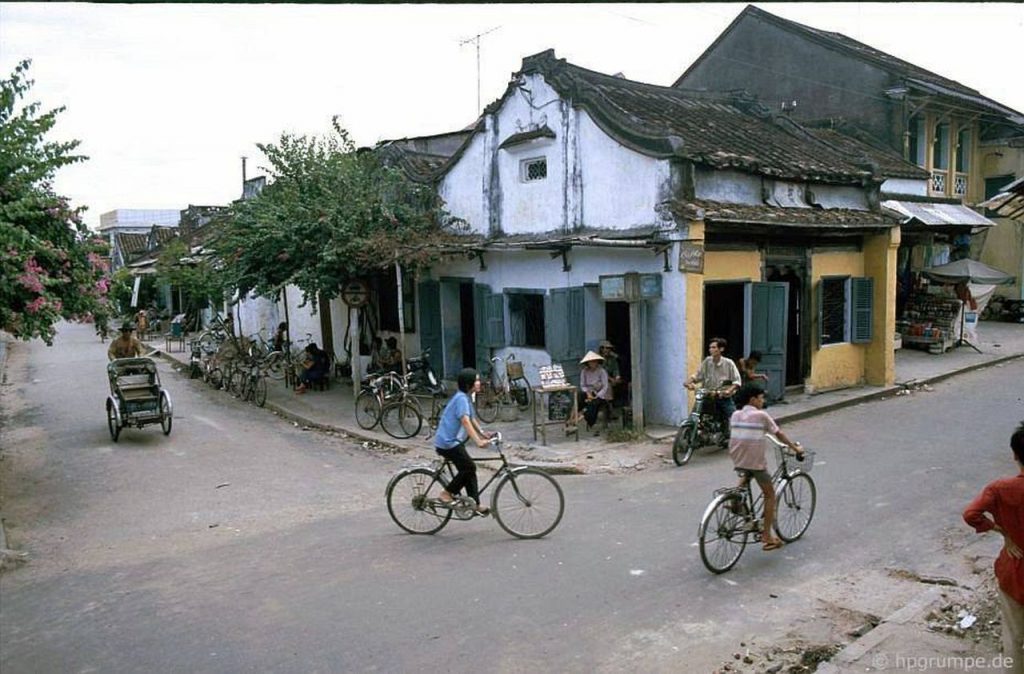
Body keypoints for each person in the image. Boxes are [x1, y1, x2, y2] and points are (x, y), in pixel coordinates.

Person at [963, 422, 1024, 674]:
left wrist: (1003, 531)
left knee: (1014, 638)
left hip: (1015, 571)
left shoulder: (1000, 489)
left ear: (1015, 455)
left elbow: (971, 514)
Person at [728, 384, 803, 552]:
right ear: (753, 399)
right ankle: (767, 536)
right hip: (755, 462)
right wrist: (795, 448)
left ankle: (735, 500)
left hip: (737, 458)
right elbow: (779, 434)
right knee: (770, 495)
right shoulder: (761, 416)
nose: (762, 401)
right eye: (761, 398)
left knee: (747, 473)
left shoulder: (735, 414)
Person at [434, 368, 494, 515]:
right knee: (469, 468)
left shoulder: (465, 397)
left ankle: (475, 504)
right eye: (476, 380)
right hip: (447, 443)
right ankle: (446, 493)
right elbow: (465, 421)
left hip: (453, 441)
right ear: (469, 384)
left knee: (469, 469)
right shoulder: (461, 399)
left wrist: (483, 433)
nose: (479, 383)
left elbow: (472, 418)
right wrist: (478, 441)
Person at [685, 337, 741, 440]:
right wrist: (689, 382)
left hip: (722, 396)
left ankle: (736, 438)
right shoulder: (707, 361)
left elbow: (737, 381)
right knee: (694, 414)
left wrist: (728, 390)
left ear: (721, 349)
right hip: (707, 395)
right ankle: (690, 436)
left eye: (714, 347)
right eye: (710, 347)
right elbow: (698, 375)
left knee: (734, 416)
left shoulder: (729, 363)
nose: (711, 349)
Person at [574, 350, 612, 431]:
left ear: (597, 362)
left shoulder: (602, 371)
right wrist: (587, 393)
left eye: (594, 361)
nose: (593, 363)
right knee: (579, 396)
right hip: (588, 392)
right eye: (591, 362)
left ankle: (588, 419)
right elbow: (583, 385)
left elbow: (605, 386)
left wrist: (597, 395)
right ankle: (574, 415)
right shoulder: (584, 371)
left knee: (593, 403)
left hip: (600, 395)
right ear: (587, 363)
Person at [599, 339, 627, 414]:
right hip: (599, 380)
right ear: (601, 349)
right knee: (607, 386)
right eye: (605, 348)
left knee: (622, 383)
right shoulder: (598, 359)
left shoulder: (612, 359)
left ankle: (620, 404)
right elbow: (601, 372)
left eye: (609, 348)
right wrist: (611, 379)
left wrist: (617, 377)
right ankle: (609, 409)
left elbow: (615, 369)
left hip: (610, 379)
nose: (607, 350)